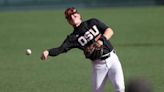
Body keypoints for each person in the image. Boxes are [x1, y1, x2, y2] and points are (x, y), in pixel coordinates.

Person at [40, 7, 125, 92]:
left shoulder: (92, 22)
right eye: (69, 17)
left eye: (74, 14)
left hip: (112, 58)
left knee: (120, 88)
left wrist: (100, 41)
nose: (72, 17)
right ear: (68, 21)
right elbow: (60, 49)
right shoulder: (72, 38)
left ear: (79, 15)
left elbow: (109, 31)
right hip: (98, 65)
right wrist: (48, 51)